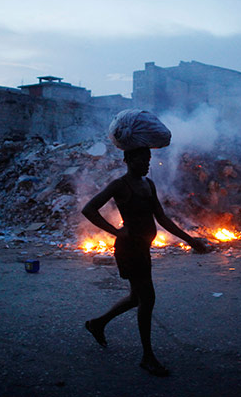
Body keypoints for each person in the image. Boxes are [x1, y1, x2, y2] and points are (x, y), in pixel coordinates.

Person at [81, 147, 208, 377]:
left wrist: (190, 239)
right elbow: (88, 209)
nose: (147, 163)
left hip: (143, 248)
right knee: (147, 299)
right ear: (128, 159)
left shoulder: (148, 184)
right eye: (142, 158)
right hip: (129, 250)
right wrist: (115, 232)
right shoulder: (120, 185)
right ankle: (147, 357)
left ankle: (98, 324)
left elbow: (161, 218)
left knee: (136, 297)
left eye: (149, 158)